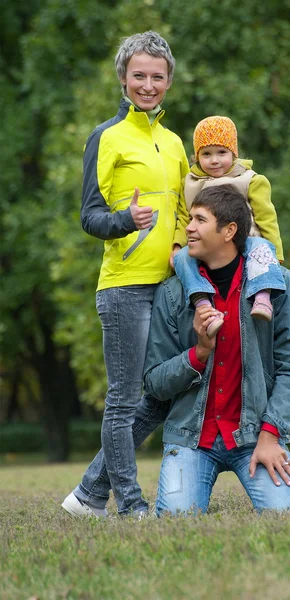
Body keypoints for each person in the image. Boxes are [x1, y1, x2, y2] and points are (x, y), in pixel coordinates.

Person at [62, 31, 189, 518]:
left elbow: (183, 206)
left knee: (160, 393)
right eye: (139, 75)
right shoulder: (106, 137)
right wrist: (125, 222)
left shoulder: (175, 143)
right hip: (124, 287)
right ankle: (130, 504)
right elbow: (90, 215)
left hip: (171, 286)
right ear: (123, 78)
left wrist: (179, 244)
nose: (148, 85)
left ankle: (90, 493)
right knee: (124, 400)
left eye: (157, 77)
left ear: (168, 83)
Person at [143, 184, 290, 515]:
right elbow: (154, 382)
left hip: (256, 436)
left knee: (287, 518)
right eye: (189, 219)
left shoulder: (280, 286)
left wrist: (270, 435)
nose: (188, 228)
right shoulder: (171, 293)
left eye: (199, 220)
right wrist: (200, 353)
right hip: (191, 438)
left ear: (229, 231)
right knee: (176, 523)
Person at [173, 115, 286, 338]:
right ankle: (203, 303)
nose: (214, 160)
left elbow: (267, 217)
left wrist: (276, 252)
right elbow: (183, 216)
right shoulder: (190, 183)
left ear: (233, 153)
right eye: (206, 154)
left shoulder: (249, 180)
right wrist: (178, 245)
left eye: (221, 153)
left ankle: (262, 297)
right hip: (208, 244)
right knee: (182, 259)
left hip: (247, 237)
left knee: (259, 250)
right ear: (196, 157)